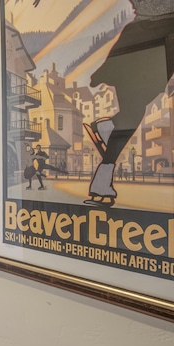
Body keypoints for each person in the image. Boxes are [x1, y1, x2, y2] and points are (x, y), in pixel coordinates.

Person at [83, 0, 174, 206]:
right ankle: (102, 179)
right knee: (134, 111)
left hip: (143, 36)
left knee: (133, 111)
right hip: (153, 36)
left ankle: (108, 129)